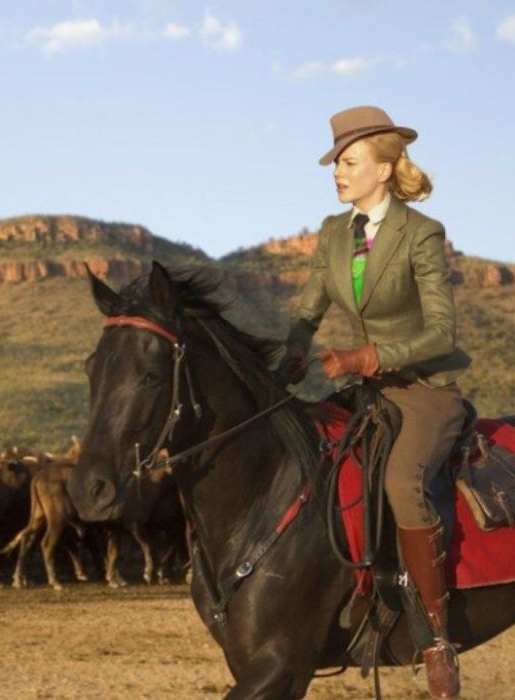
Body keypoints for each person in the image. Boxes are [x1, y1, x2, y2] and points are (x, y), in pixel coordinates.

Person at [284, 105, 470, 699]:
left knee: (399, 481)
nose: (338, 171)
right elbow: (310, 308)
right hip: (362, 394)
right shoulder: (332, 232)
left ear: (385, 169)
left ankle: (436, 639)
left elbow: (442, 332)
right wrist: (285, 357)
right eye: (336, 162)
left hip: (424, 391)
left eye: (349, 161)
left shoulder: (422, 234)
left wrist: (369, 358)